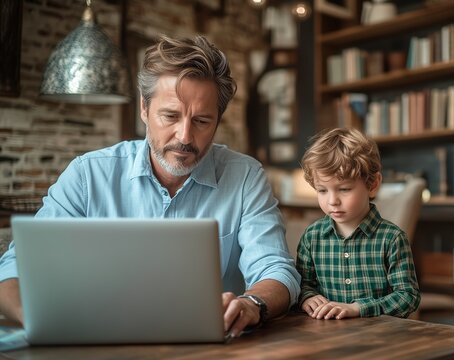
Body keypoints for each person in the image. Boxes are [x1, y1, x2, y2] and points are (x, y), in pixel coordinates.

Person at [0, 35, 300, 338]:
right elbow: (16, 266)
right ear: (144, 109)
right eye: (170, 116)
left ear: (218, 120)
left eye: (202, 121)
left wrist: (252, 304)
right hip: (98, 343)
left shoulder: (246, 177)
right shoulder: (88, 174)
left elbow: (276, 269)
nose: (184, 136)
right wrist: (36, 317)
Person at [296, 128, 420, 320]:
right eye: (322, 191)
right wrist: (307, 297)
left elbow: (408, 297)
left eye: (344, 189)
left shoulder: (392, 239)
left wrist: (359, 308)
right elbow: (303, 284)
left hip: (382, 340)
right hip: (326, 337)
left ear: (373, 185)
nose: (332, 201)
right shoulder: (312, 237)